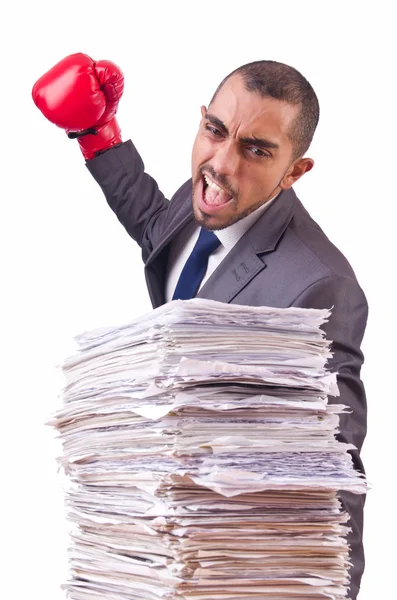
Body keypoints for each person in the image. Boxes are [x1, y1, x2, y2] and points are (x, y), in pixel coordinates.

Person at [32, 53, 368, 599]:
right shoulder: (203, 205)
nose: (222, 164)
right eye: (215, 131)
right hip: (160, 536)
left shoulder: (318, 286)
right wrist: (97, 135)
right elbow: (151, 227)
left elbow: (335, 471)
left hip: (238, 567)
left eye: (257, 150)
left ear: (294, 172)